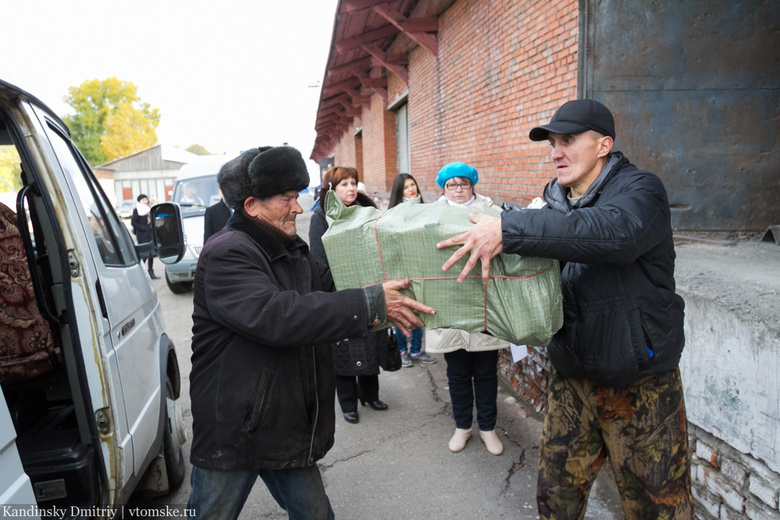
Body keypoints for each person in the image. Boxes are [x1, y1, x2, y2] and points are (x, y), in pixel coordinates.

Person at [437, 99, 693, 518]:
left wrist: (509, 227)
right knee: (555, 501)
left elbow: (611, 233)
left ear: (604, 145)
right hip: (571, 377)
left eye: (568, 141)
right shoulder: (552, 199)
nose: (556, 152)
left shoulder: (641, 191)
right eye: (552, 143)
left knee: (658, 509)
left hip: (638, 382)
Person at [186, 146, 434, 520]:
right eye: (287, 200)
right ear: (252, 205)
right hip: (236, 426)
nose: (297, 209)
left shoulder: (291, 249)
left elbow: (331, 288)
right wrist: (370, 304)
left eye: (296, 198)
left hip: (284, 422)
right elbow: (278, 316)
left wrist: (389, 282)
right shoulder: (227, 253)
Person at [425, 162, 508, 456]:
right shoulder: (431, 215)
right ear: (443, 187)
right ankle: (463, 427)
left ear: (473, 185)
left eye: (463, 183)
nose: (458, 189)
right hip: (448, 301)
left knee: (486, 371)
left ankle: (488, 428)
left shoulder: (491, 212)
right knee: (457, 372)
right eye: (452, 184)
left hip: (483, 299)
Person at [308, 166, 391, 424]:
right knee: (343, 347)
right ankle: (347, 402)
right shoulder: (321, 216)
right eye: (344, 184)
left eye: (353, 182)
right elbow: (319, 259)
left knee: (370, 339)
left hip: (369, 286)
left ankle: (370, 394)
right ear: (331, 189)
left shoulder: (368, 211)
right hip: (339, 290)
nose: (351, 188)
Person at [387, 173, 434, 367]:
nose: (411, 189)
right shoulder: (393, 214)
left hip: (422, 268)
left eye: (413, 185)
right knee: (403, 312)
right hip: (401, 270)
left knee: (420, 312)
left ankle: (416, 350)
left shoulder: (426, 210)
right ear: (400, 191)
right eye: (406, 187)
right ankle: (402, 351)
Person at [130, 194, 158, 279]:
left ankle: (151, 272)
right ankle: (139, 271)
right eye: (143, 200)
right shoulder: (137, 210)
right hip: (142, 235)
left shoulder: (149, 209)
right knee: (145, 254)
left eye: (146, 199)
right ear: (139, 201)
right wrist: (143, 228)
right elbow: (133, 222)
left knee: (151, 253)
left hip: (149, 233)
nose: (145, 201)